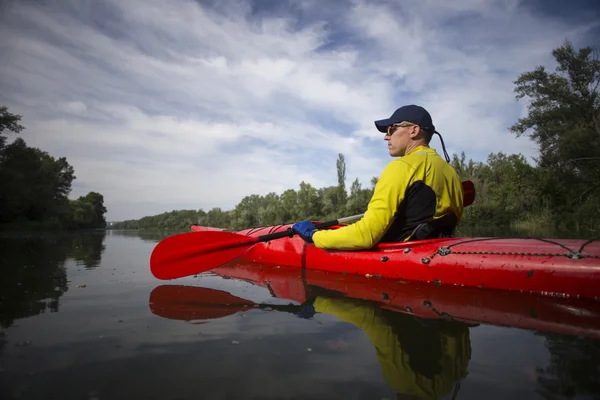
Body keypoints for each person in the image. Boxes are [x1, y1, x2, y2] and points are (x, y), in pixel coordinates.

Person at [292, 105, 464, 250]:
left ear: (414, 130)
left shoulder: (403, 166)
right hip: (435, 249)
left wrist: (316, 236)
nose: (386, 136)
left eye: (392, 129)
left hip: (400, 256)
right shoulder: (450, 172)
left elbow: (366, 235)